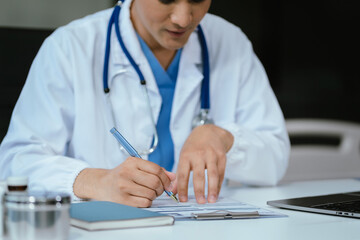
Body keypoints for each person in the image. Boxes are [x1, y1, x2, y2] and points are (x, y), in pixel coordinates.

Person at [0, 0, 290, 207]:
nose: (183, 18)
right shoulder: (70, 47)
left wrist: (224, 137)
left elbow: (275, 158)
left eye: (198, 0)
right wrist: (95, 181)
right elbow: (15, 161)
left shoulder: (229, 42)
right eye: (166, 0)